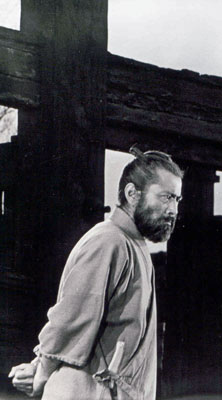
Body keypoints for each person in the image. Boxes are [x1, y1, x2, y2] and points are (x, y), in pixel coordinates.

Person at [8, 146, 184, 400]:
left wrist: (38, 367)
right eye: (166, 197)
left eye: (177, 200)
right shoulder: (108, 241)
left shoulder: (133, 245)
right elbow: (71, 319)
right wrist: (41, 372)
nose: (173, 210)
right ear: (132, 194)